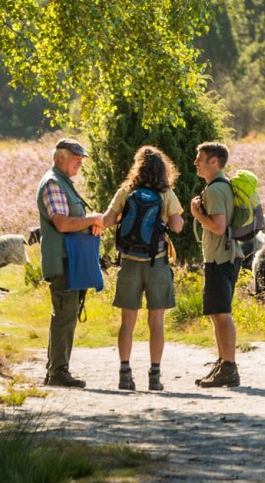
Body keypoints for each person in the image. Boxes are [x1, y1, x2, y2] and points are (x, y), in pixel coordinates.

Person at [101, 146, 184, 392]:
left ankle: (124, 374)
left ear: (137, 167)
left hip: (128, 263)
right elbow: (178, 227)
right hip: (156, 263)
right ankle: (155, 376)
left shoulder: (126, 192)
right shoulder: (165, 194)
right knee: (156, 322)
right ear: (163, 170)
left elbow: (107, 221)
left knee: (127, 322)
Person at [36, 138, 105, 388]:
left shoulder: (64, 183)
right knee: (64, 315)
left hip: (71, 259)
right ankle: (57, 372)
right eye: (76, 156)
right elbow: (62, 223)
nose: (80, 161)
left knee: (66, 315)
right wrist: (93, 219)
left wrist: (91, 223)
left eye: (81, 157)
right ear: (61, 156)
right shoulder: (54, 183)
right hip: (64, 260)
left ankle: (56, 370)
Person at [189, 141, 240, 388]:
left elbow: (218, 227)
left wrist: (197, 214)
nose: (196, 163)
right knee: (216, 313)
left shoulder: (216, 190)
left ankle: (229, 366)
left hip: (221, 257)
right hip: (223, 256)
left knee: (221, 313)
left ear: (214, 161)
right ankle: (223, 363)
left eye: (200, 158)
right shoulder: (220, 186)